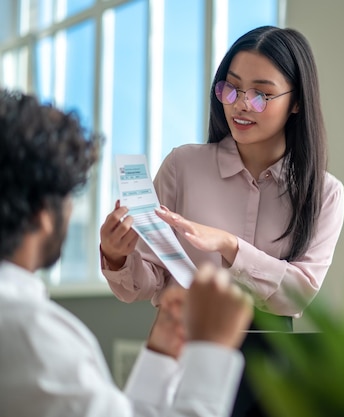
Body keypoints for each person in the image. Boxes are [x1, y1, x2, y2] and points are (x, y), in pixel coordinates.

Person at [0, 89, 253, 417]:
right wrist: (210, 351)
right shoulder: (32, 337)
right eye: (69, 196)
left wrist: (159, 359)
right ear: (42, 215)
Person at [99, 25, 344, 329]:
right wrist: (116, 257)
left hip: (270, 360)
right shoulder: (182, 165)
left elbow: (298, 294)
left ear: (296, 102)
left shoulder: (324, 192)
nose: (240, 104)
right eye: (231, 88)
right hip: (181, 342)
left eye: (262, 94)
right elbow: (149, 281)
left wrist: (230, 246)